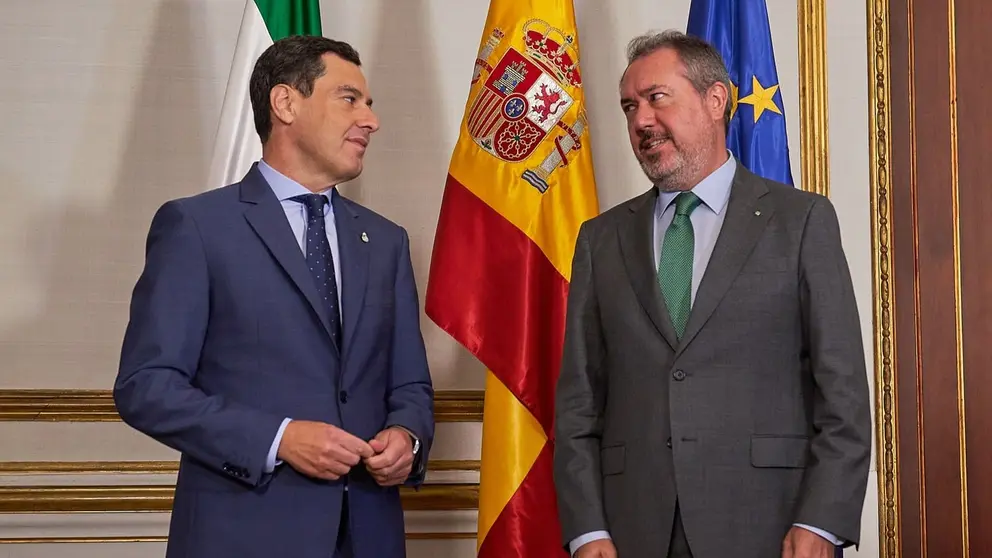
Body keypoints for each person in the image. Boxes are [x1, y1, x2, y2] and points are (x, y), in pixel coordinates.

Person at [553, 30, 871, 558]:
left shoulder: (801, 221)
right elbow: (579, 404)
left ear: (715, 99)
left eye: (657, 98)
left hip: (772, 528)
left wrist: (821, 520)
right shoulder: (600, 239)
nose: (640, 121)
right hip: (633, 533)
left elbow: (843, 395)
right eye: (630, 106)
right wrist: (588, 531)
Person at [114, 35, 434, 558]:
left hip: (369, 535)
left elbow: (410, 383)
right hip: (241, 535)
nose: (371, 120)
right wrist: (278, 438)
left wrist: (407, 436)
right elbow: (146, 386)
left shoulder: (386, 240)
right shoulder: (197, 227)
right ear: (285, 103)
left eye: (370, 104)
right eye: (350, 99)